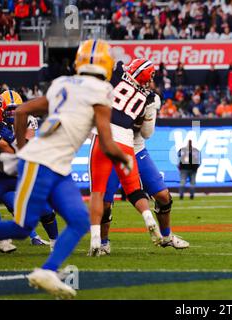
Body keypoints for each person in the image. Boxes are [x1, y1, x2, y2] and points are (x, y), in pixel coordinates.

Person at [0, 39, 133, 299]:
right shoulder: (103, 90)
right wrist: (124, 160)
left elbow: (22, 110)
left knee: (80, 220)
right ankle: (49, 269)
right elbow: (106, 142)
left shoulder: (62, 83)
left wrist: (23, 147)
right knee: (23, 227)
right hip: (42, 163)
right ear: (105, 64)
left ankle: (48, 271)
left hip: (54, 165)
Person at [88, 58, 163, 257]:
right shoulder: (148, 98)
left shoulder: (118, 70)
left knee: (98, 193)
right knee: (134, 189)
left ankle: (96, 240)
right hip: (127, 141)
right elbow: (145, 130)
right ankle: (148, 218)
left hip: (104, 134)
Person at [99, 93, 189, 254]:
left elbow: (147, 134)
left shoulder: (150, 98)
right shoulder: (116, 88)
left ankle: (166, 236)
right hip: (112, 147)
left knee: (163, 196)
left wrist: (147, 110)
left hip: (137, 148)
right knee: (105, 203)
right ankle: (103, 243)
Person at [0, 90, 59, 252]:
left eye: (14, 109)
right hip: (1, 175)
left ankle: (55, 241)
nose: (12, 113)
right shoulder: (1, 127)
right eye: (8, 110)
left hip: (17, 173)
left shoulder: (27, 119)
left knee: (44, 209)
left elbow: (28, 145)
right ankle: (3, 239)